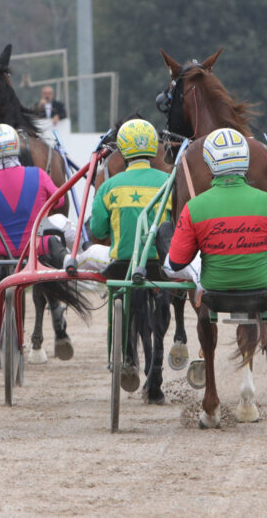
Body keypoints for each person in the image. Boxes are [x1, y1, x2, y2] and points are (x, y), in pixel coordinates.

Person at [163, 127, 267, 295]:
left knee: (176, 264)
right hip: (264, 284)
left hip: (211, 287)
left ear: (209, 164)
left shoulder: (193, 207)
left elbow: (177, 263)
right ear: (246, 158)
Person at [0, 123, 74, 363]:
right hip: (34, 247)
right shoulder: (39, 175)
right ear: (16, 147)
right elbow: (59, 201)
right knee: (59, 228)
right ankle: (69, 259)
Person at [82, 118, 174, 404]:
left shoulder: (109, 186)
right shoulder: (169, 182)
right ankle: (156, 368)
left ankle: (126, 355)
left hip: (121, 266)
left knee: (88, 258)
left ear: (122, 149)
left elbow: (97, 231)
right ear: (153, 148)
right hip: (160, 267)